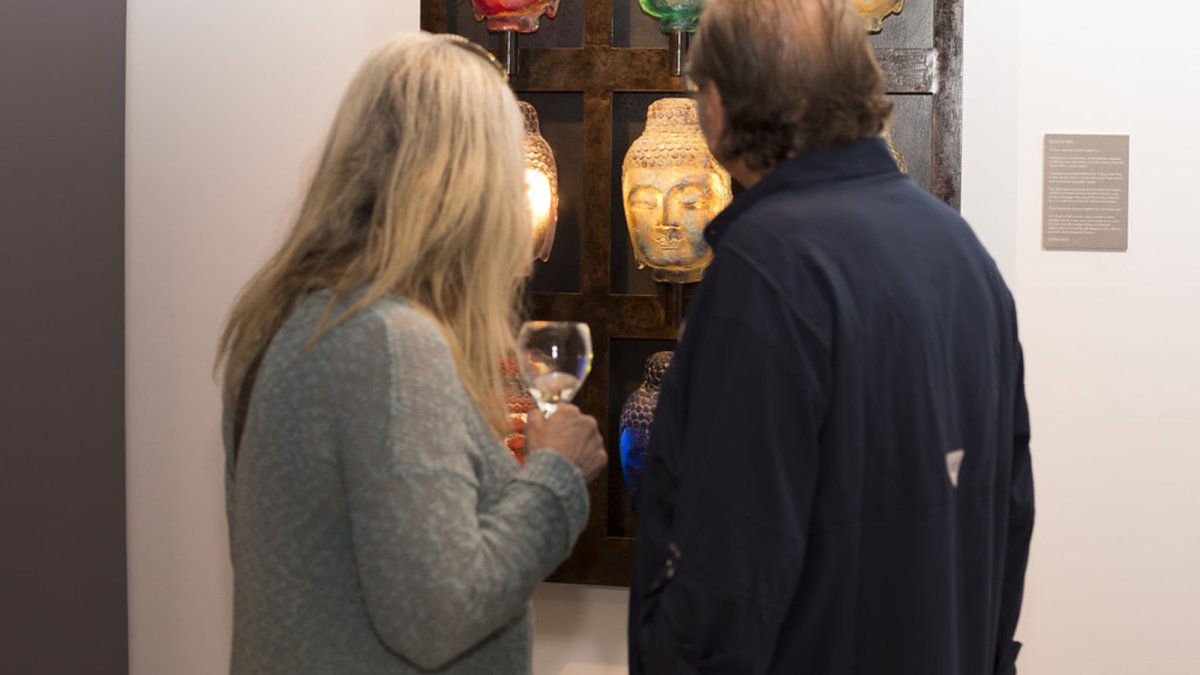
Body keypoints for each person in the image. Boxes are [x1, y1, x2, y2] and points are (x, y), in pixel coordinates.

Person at [627, 1, 1034, 673]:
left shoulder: (767, 268)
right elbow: (1007, 518)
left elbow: (726, 581)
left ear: (719, 107)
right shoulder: (962, 252)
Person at [215, 32, 607, 675]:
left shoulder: (286, 319)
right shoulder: (392, 344)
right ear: (469, 187)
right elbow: (437, 614)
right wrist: (556, 476)